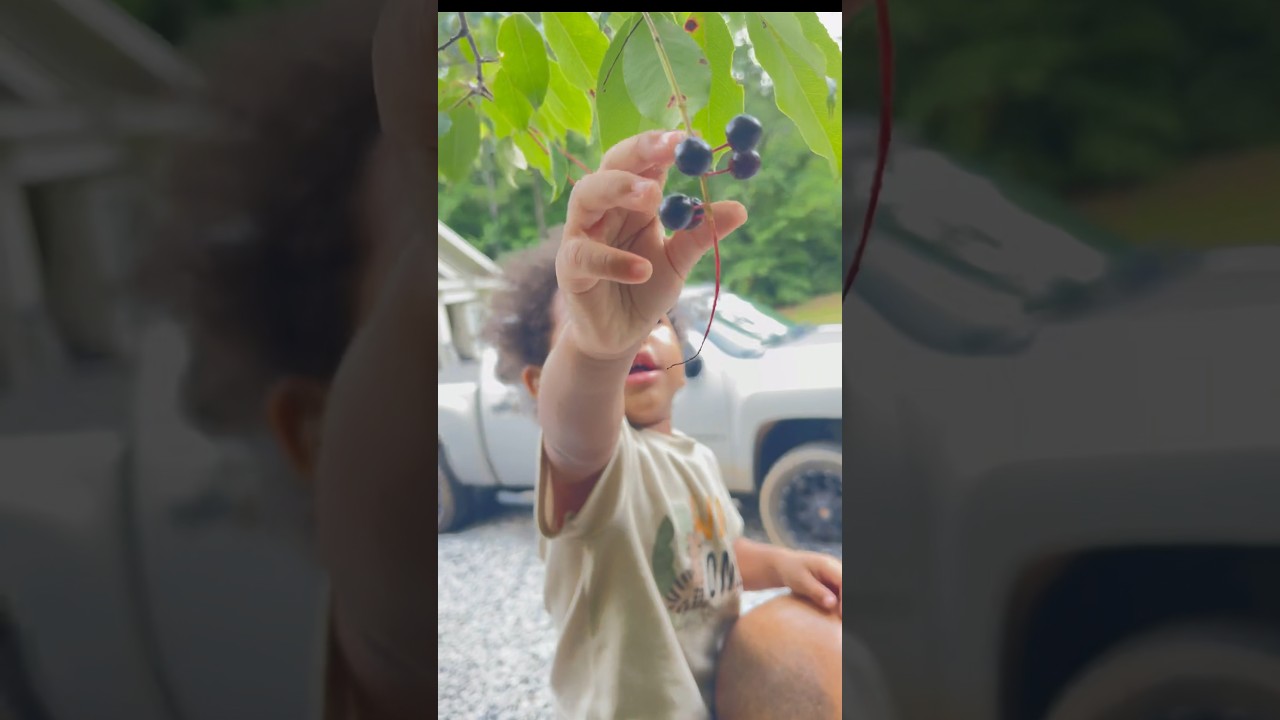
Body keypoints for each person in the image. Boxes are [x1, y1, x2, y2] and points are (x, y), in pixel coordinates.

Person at [480, 129, 844, 717]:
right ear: (538, 383)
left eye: (652, 317)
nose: (632, 332)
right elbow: (577, 422)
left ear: (681, 353)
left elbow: (714, 550)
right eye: (574, 324)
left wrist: (781, 563)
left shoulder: (694, 460)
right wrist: (597, 351)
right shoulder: (595, 465)